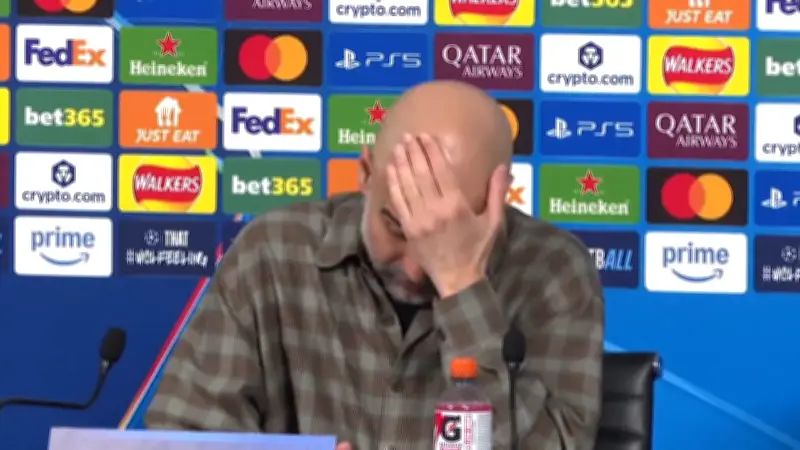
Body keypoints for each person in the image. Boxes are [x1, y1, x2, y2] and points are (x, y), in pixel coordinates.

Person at [145, 80, 605, 450]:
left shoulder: (554, 272)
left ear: (497, 203)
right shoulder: (274, 252)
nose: (417, 267)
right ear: (365, 173)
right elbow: (183, 434)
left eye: (448, 233)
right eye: (399, 227)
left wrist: (462, 284)